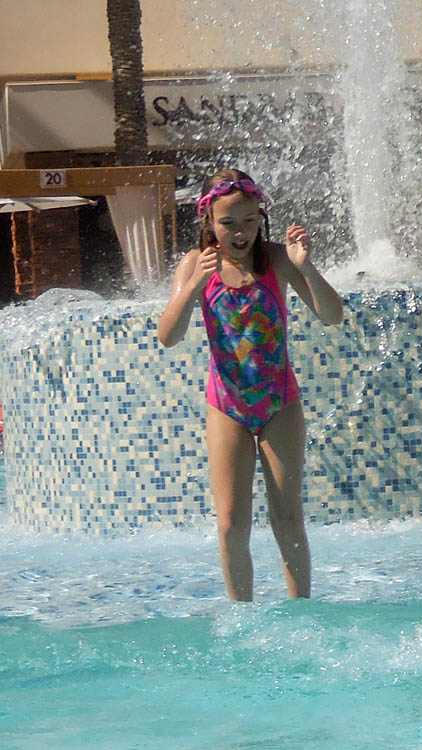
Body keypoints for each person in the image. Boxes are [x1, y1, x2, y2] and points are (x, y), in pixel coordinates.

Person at [158, 169, 344, 601]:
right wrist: (195, 286)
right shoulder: (194, 264)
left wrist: (306, 267)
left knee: (288, 517)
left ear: (262, 217)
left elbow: (331, 315)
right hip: (226, 407)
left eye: (249, 221)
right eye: (228, 223)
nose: (240, 233)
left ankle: (302, 609)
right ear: (208, 220)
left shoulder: (277, 259)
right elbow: (168, 336)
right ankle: (241, 613)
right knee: (230, 522)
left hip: (281, 403)